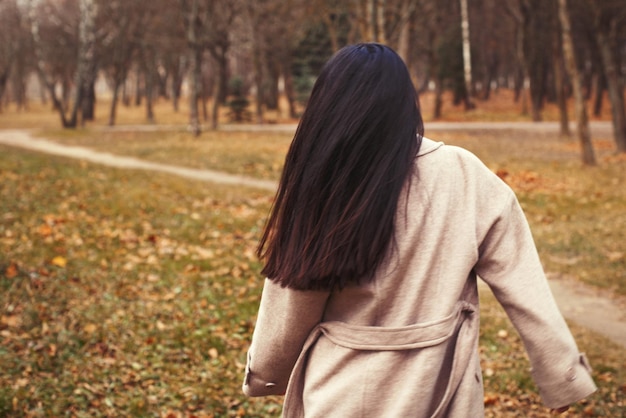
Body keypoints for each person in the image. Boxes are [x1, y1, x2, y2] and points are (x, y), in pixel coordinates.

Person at [242, 43, 596, 417]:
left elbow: (291, 303)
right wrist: (563, 372)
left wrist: (266, 374)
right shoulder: (464, 173)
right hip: (440, 394)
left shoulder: (322, 181)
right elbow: (524, 286)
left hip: (340, 398)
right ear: (406, 103)